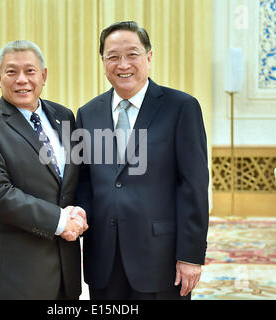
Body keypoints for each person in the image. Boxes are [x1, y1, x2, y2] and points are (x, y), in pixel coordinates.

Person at [75, 21, 209, 300]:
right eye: (113, 56)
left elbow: (193, 186)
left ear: (149, 57)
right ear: (103, 62)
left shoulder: (180, 107)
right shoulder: (88, 113)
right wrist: (79, 215)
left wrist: (191, 255)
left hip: (160, 259)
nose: (123, 64)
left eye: (132, 54)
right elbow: (85, 179)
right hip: (104, 258)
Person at [0, 40, 88, 300]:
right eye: (11, 72)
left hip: (66, 268)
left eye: (30, 71)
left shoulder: (63, 117)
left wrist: (78, 211)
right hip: (15, 272)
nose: (22, 80)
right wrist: (60, 221)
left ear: (43, 76)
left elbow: (74, 178)